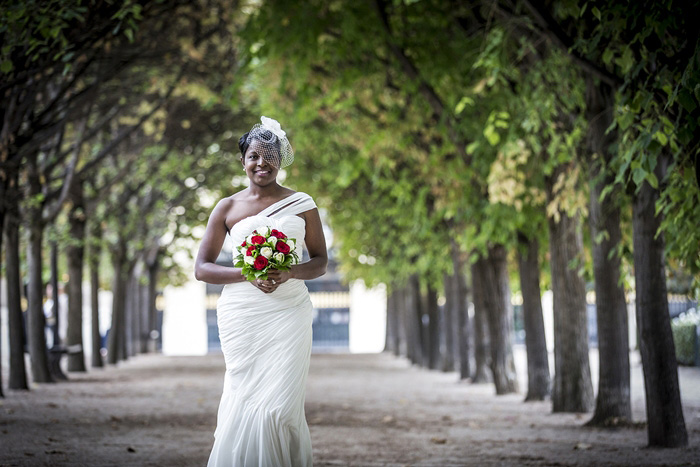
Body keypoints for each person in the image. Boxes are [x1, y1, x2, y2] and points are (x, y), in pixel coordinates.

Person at [195, 116, 327, 467]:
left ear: (281, 160)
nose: (261, 163)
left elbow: (321, 261)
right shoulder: (227, 207)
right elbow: (202, 268)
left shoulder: (302, 203)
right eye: (254, 156)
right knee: (244, 394)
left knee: (279, 405)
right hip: (243, 314)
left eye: (270, 156)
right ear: (243, 161)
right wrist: (246, 274)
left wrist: (289, 272)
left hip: (289, 311)